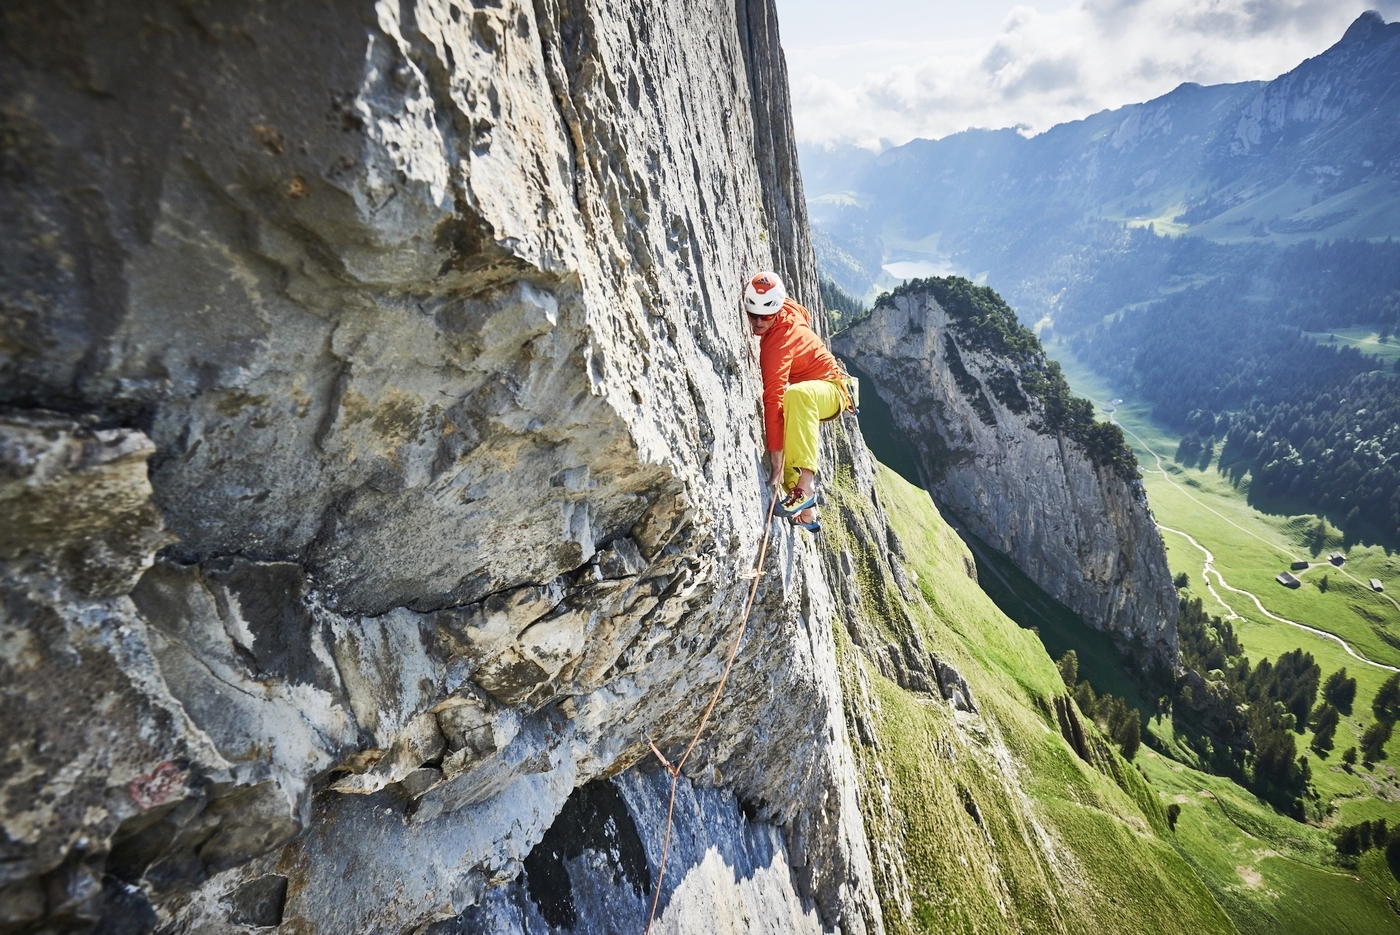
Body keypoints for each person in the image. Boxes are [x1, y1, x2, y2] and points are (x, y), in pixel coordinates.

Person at [743, 271, 851, 533]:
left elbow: (773, 397)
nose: (757, 323)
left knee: (796, 396)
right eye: (751, 314)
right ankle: (807, 514)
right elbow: (801, 311)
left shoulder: (775, 347)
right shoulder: (786, 306)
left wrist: (776, 460)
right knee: (792, 428)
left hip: (832, 389)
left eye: (765, 317)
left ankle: (806, 486)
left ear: (776, 311)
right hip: (820, 388)